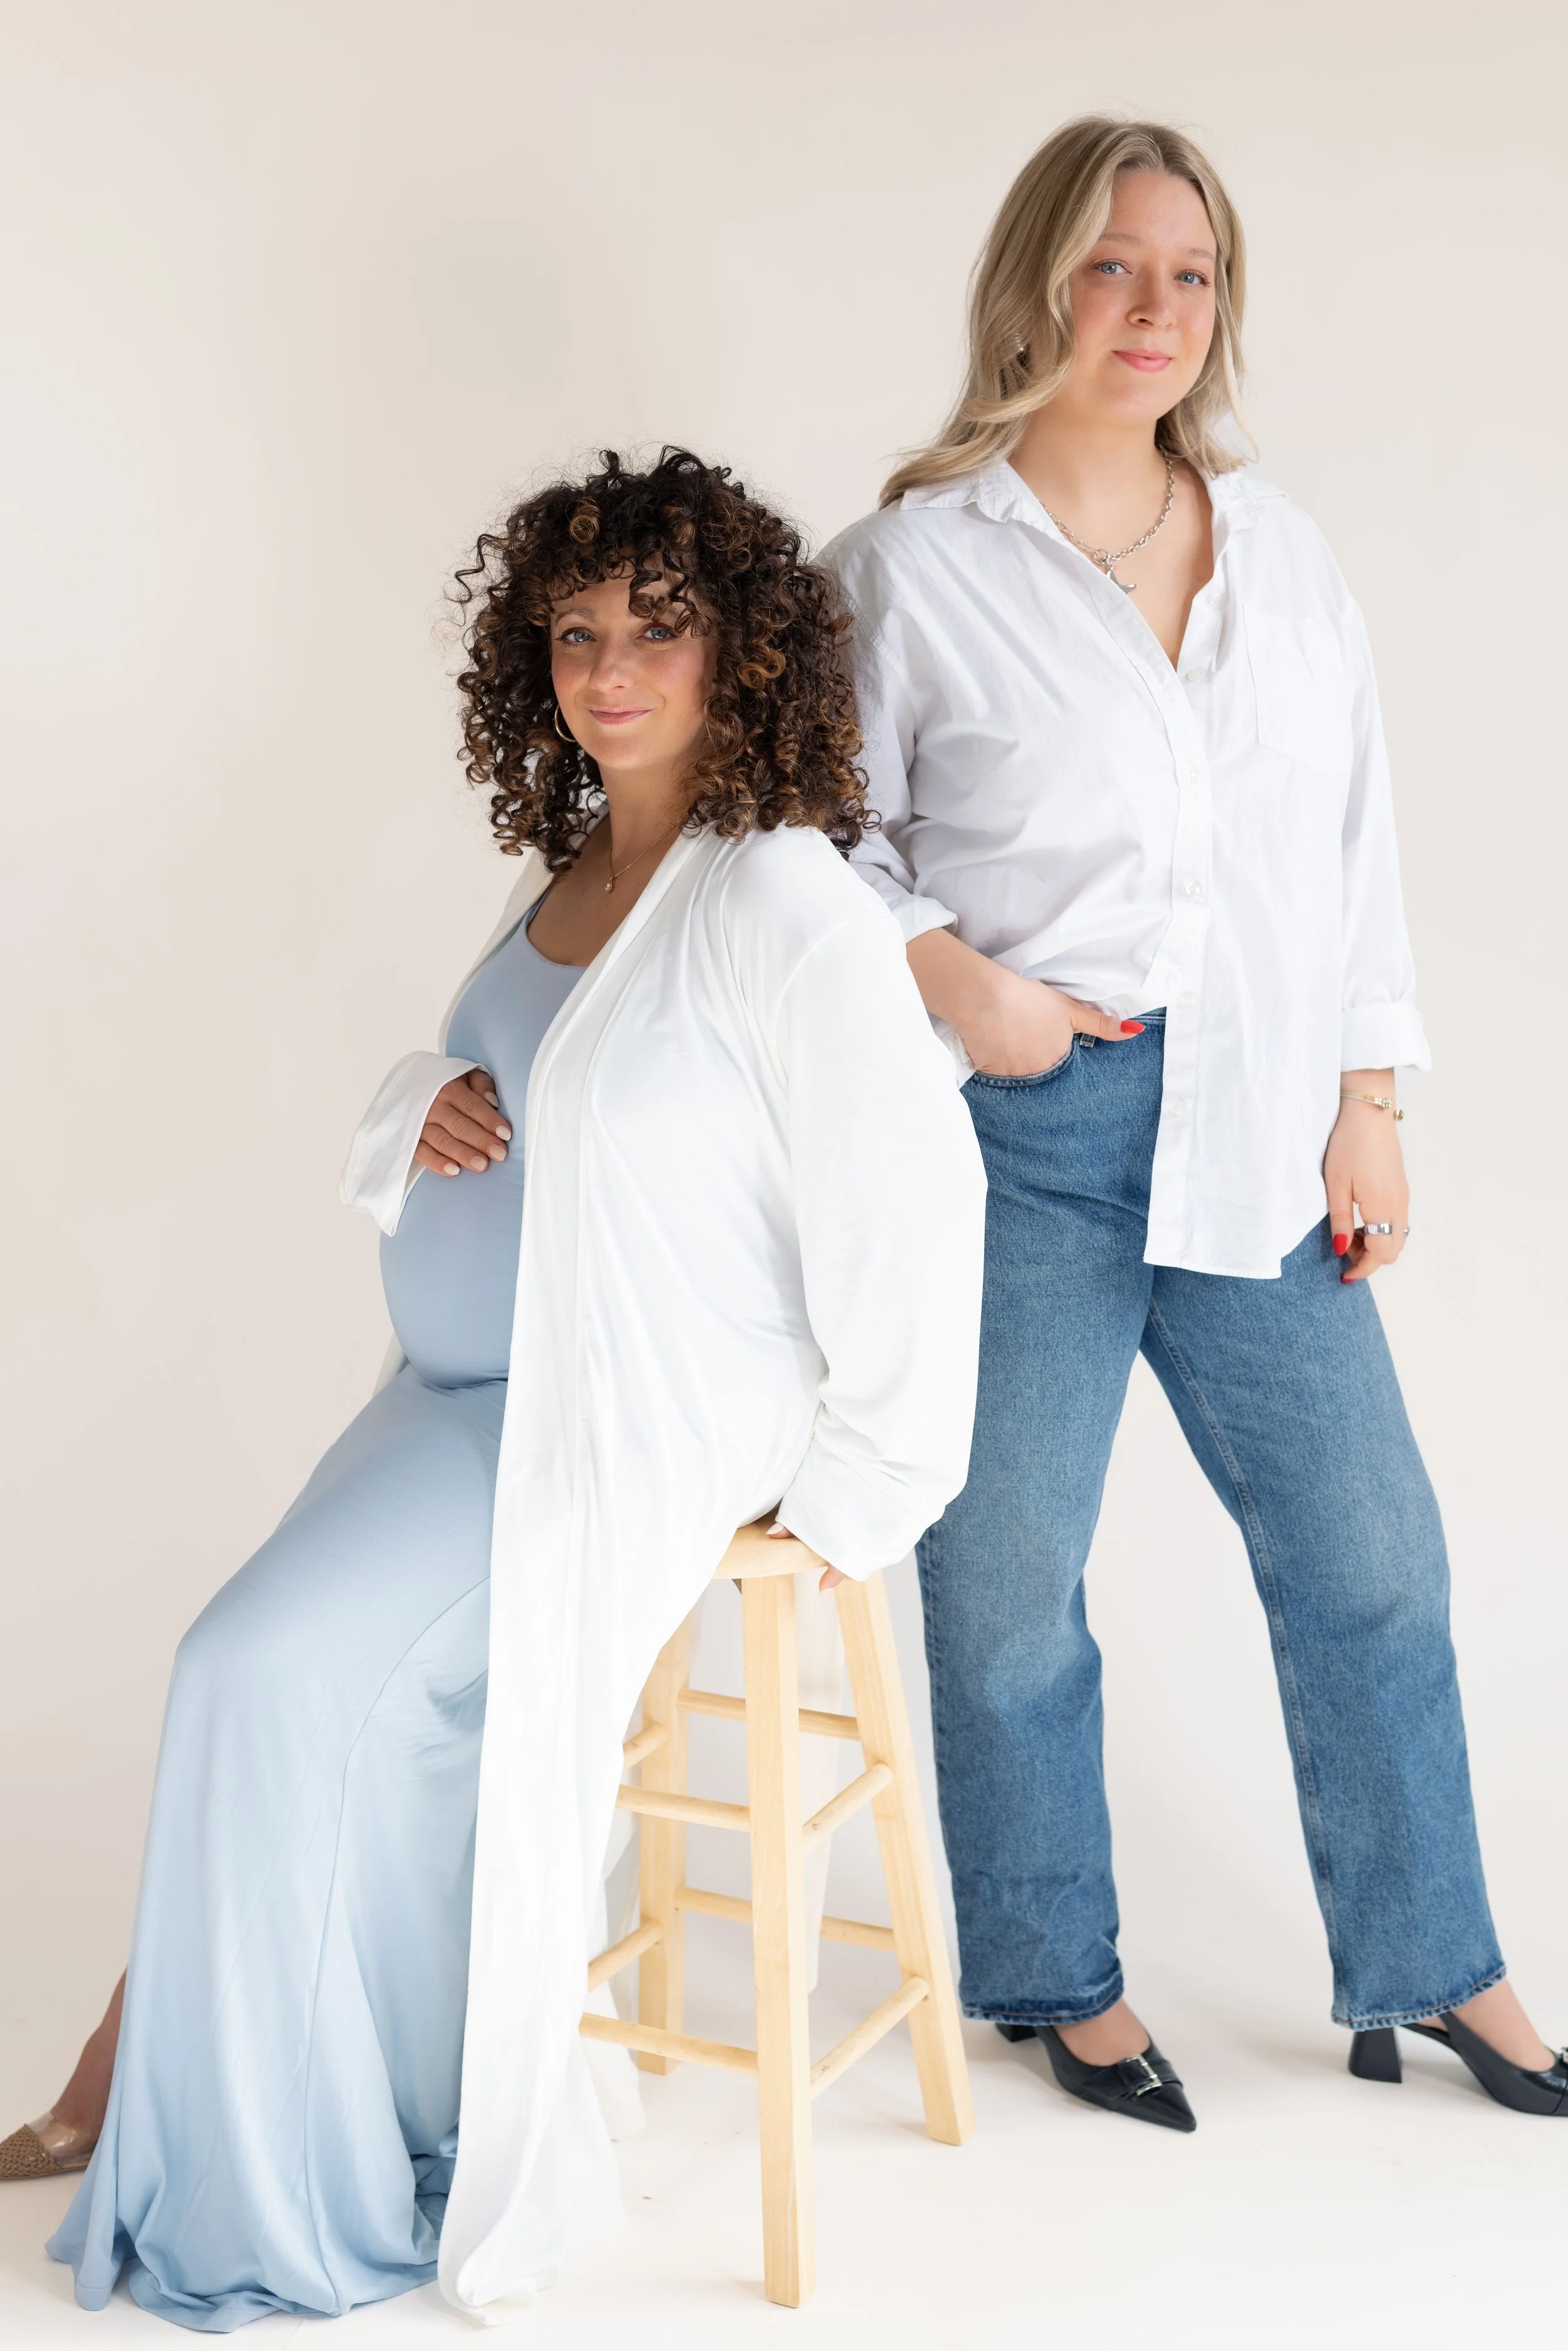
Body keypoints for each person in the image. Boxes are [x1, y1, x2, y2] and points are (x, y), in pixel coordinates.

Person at [6, 448, 987, 2324]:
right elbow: (495, 1103)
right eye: (575, 632)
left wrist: (859, 1492)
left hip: (580, 1436)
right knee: (269, 1694)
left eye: (656, 631)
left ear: (743, 653)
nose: (609, 669)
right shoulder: (576, 871)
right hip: (441, 1403)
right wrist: (418, 1103)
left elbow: (910, 1204)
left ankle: (277, 2198)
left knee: (252, 1669)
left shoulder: (779, 899)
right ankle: (244, 2094)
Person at [824, 115, 1565, 2131]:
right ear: (1036, 286)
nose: (1153, 312)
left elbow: (1351, 844)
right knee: (1002, 1589)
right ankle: (1056, 1973)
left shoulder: (1285, 557)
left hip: (1252, 1117)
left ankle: (1441, 1959)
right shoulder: (906, 568)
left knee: (1372, 1556)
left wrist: (1369, 1096)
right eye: (1111, 268)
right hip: (1022, 1136)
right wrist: (955, 984)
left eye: (1191, 274)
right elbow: (811, 855)